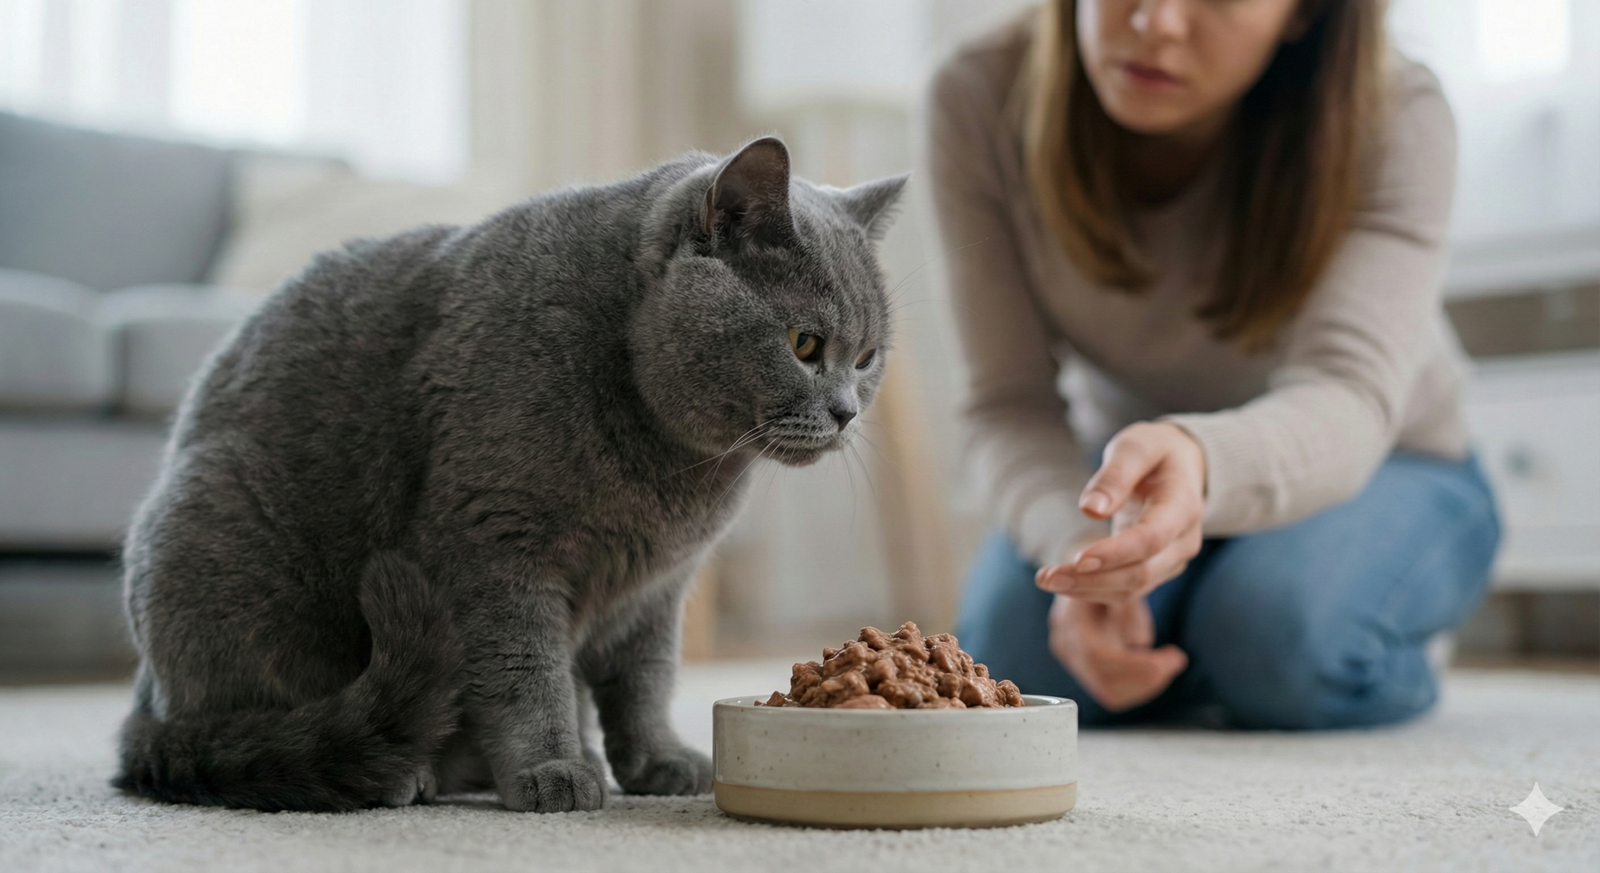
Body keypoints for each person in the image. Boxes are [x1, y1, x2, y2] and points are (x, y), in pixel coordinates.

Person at [927, 0, 1499, 729]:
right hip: (1130, 479)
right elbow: (1007, 402)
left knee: (1278, 637)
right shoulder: (976, 92)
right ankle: (1207, 629)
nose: (1159, 22)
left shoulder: (1397, 111)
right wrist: (1086, 552)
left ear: (1303, 14)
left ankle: (1294, 630)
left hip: (1393, 458)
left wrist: (1202, 460)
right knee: (1016, 654)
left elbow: (1347, 394)